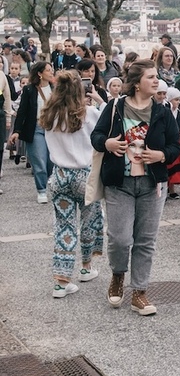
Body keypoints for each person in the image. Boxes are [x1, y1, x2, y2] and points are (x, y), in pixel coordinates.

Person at [91, 60, 180, 316]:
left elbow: (176, 145)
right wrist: (107, 144)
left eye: (156, 77)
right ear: (137, 82)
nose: (156, 81)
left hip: (152, 185)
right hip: (120, 184)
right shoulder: (115, 107)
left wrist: (161, 155)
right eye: (151, 77)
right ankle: (118, 275)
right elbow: (96, 137)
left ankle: (139, 292)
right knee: (120, 238)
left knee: (145, 241)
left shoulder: (162, 111)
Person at [39, 70, 106, 298]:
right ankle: (86, 267)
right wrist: (98, 99)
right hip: (84, 175)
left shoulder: (49, 114)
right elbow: (110, 119)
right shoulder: (89, 113)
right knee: (90, 221)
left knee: (63, 227)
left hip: (59, 175)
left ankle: (61, 280)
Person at [10, 61, 56, 203]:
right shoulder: (29, 90)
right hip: (36, 127)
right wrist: (17, 131)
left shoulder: (55, 89)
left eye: (51, 69)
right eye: (48, 70)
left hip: (53, 129)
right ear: (40, 74)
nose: (51, 72)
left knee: (51, 161)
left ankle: (50, 182)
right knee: (39, 160)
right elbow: (22, 111)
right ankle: (41, 190)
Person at [164, 87, 180, 200]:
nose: (178, 102)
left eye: (179, 100)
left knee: (174, 165)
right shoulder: (165, 109)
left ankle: (172, 189)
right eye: (176, 100)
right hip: (166, 141)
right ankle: (165, 189)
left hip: (177, 141)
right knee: (166, 165)